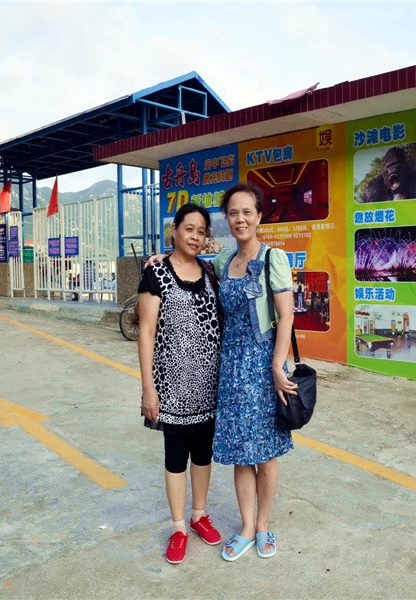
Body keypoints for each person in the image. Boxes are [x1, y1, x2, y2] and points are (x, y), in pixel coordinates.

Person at [209, 182, 296, 561]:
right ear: (227, 220)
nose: (240, 219)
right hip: (230, 369)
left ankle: (263, 524)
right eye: (233, 213)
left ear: (259, 216)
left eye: (247, 212)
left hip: (262, 366)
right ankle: (246, 526)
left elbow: (286, 316)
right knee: (241, 452)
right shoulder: (223, 262)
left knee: (266, 452)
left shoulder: (274, 258)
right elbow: (188, 264)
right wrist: (161, 259)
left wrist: (277, 365)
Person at [138, 202, 223, 564]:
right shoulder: (156, 274)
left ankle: (199, 515)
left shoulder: (210, 272)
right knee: (176, 457)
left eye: (201, 232)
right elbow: (146, 332)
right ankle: (177, 527)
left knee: (203, 455)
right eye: (189, 229)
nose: (195, 237)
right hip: (171, 389)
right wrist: (148, 388)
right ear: (174, 230)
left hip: (209, 387)